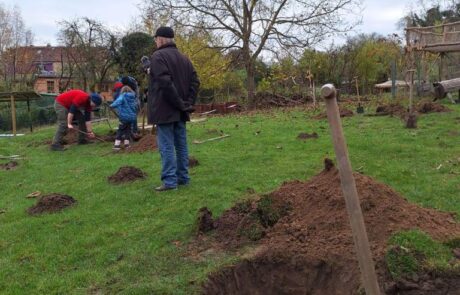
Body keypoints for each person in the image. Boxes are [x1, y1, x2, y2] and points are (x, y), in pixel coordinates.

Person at [148, 26, 200, 191]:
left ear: (161, 39)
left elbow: (165, 84)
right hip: (180, 110)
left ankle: (170, 182)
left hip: (165, 110)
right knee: (181, 144)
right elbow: (195, 82)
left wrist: (180, 103)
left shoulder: (158, 56)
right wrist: (187, 103)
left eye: (155, 39)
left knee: (167, 146)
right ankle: (183, 178)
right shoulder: (184, 58)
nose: (155, 42)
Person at [110, 85, 138, 150]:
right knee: (128, 130)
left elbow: (117, 102)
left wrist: (111, 105)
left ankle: (116, 146)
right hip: (132, 117)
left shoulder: (123, 96)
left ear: (122, 90)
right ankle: (127, 145)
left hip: (124, 117)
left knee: (120, 130)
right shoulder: (133, 97)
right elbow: (136, 106)